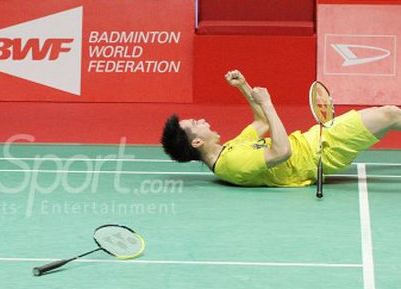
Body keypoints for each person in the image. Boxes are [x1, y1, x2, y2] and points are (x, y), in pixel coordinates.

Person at [161, 69, 401, 187]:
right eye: (195, 124)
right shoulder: (231, 164)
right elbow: (281, 152)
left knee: (392, 115)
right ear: (197, 142)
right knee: (389, 114)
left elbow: (261, 122)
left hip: (314, 140)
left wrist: (243, 86)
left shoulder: (229, 149)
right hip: (321, 151)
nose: (201, 120)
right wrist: (267, 102)